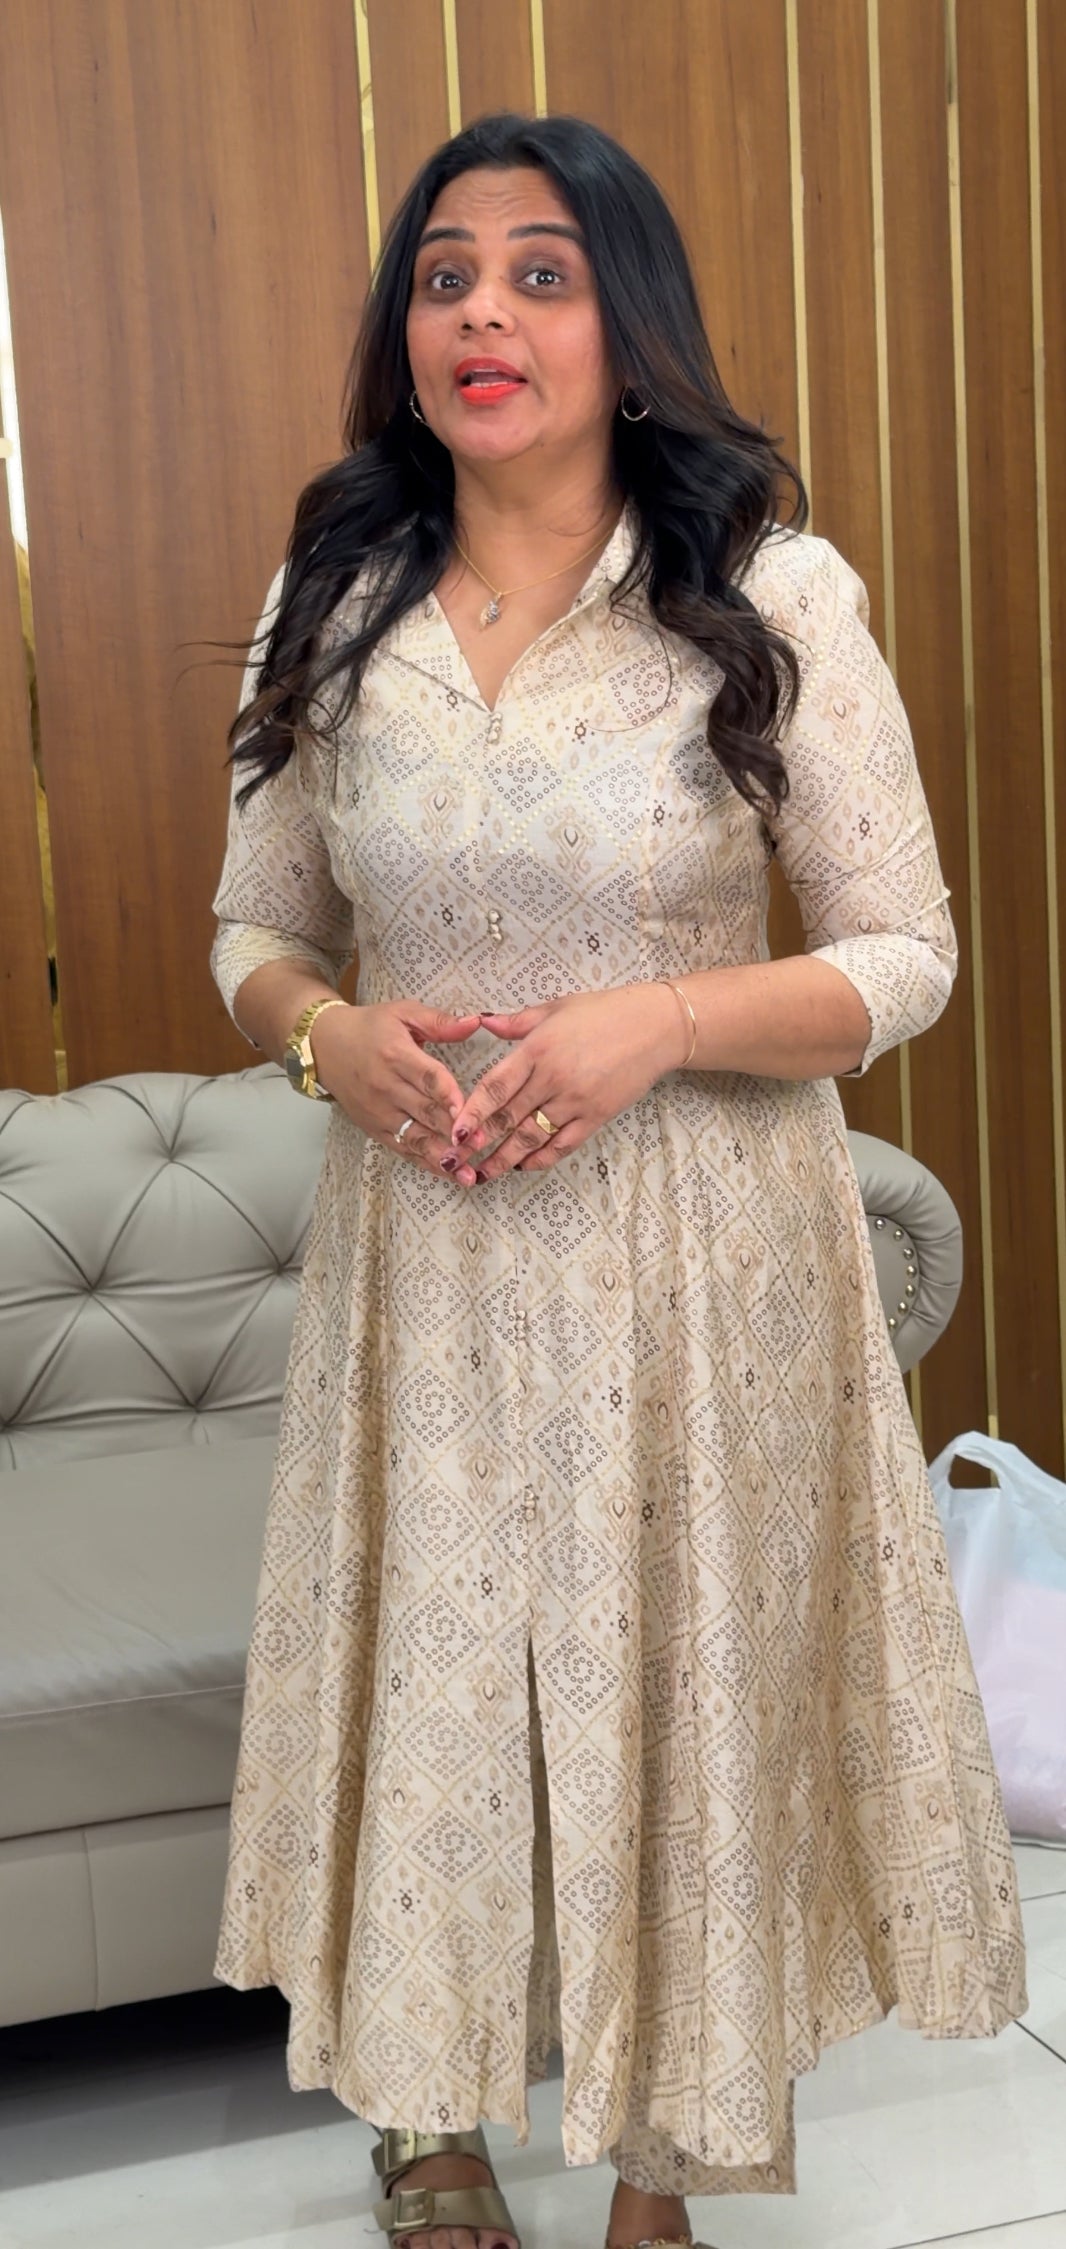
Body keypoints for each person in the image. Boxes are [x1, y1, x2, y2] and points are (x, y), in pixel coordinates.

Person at [209, 110, 1026, 2249]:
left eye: (539, 271)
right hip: (428, 1250)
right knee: (442, 1694)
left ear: (627, 325)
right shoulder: (334, 595)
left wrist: (652, 1022)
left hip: (700, 1263)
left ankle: (661, 2166)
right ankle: (427, 2116)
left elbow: (904, 956)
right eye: (445, 273)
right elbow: (252, 923)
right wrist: (321, 1036)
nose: (480, 310)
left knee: (685, 1691)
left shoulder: (763, 590)